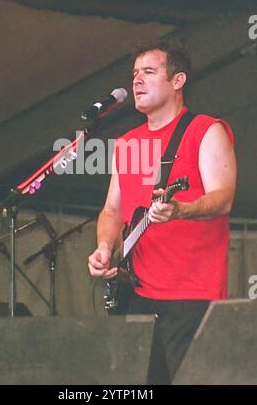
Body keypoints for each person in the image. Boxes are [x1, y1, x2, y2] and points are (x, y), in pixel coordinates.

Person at [88, 40, 237, 383]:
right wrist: (105, 248)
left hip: (191, 294)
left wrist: (181, 210)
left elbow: (223, 198)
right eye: (135, 74)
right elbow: (112, 210)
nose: (137, 81)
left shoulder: (205, 130)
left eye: (149, 72)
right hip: (137, 294)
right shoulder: (125, 143)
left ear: (178, 81)